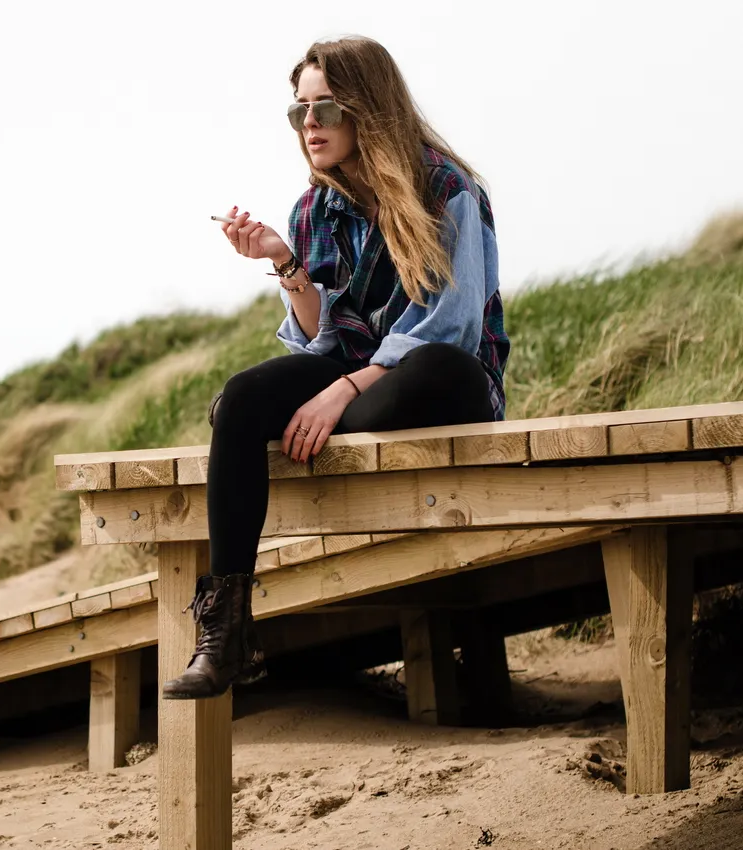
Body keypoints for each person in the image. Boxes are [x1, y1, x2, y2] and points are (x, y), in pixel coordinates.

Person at [162, 36, 510, 700]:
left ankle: (300, 418)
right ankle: (227, 636)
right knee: (240, 399)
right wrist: (284, 264)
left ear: (368, 110)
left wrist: (339, 392)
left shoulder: (446, 188)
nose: (310, 126)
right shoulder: (312, 209)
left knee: (431, 366)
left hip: (444, 381)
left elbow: (452, 325)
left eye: (325, 108)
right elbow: (322, 344)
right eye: (299, 112)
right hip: (359, 386)